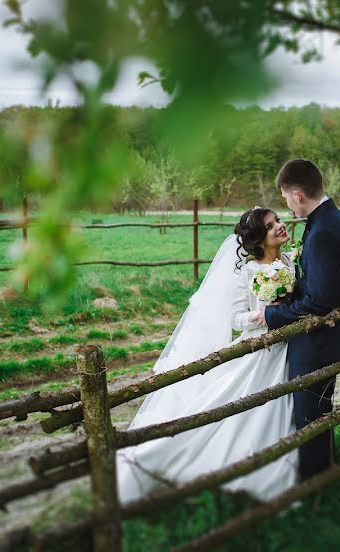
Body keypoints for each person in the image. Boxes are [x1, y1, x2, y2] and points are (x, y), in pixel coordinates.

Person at [115, 207, 299, 503]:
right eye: (271, 225)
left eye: (277, 220)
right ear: (259, 240)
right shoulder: (248, 271)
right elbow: (235, 318)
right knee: (234, 399)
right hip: (260, 346)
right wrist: (261, 316)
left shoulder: (290, 260)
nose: (280, 225)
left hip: (289, 344)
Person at [252, 159, 340, 481]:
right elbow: (320, 284)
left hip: (319, 341)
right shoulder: (329, 220)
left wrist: (271, 313)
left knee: (310, 414)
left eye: (286, 197)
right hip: (324, 336)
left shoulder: (325, 230)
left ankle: (315, 481)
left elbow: (322, 301)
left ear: (298, 195)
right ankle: (321, 467)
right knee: (316, 409)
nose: (286, 204)